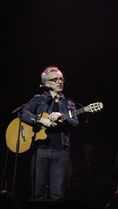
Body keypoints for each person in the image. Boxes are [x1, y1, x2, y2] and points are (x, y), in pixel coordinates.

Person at [21, 66, 79, 200]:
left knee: (57, 195)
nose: (60, 81)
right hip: (40, 151)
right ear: (47, 83)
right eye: (56, 79)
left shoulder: (69, 103)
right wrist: (40, 120)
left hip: (61, 152)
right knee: (38, 193)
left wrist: (63, 116)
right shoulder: (39, 100)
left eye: (61, 78)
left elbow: (75, 123)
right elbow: (23, 112)